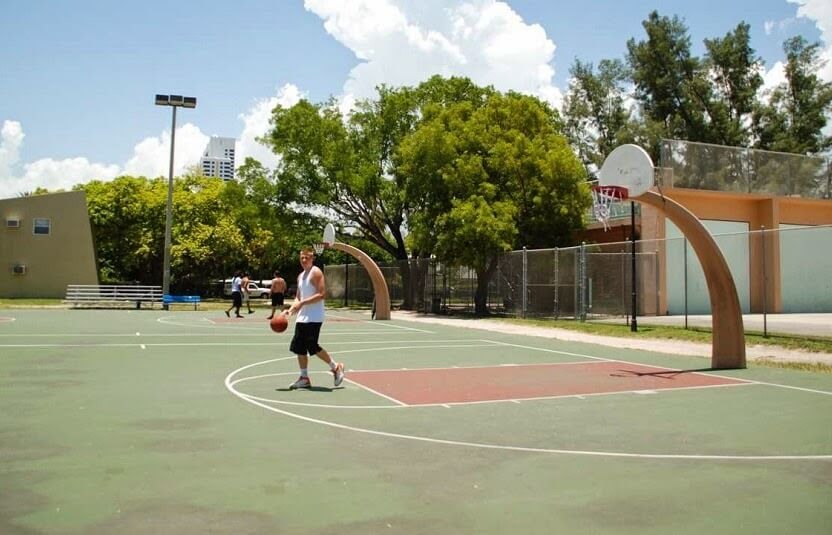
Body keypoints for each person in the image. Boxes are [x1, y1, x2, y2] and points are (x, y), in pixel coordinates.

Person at [285, 246, 344, 389]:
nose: (304, 260)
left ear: (312, 258)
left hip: (314, 317)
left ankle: (336, 367)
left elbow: (322, 294)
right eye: (302, 258)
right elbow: (298, 297)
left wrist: (302, 304)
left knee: (312, 346)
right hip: (302, 317)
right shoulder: (300, 276)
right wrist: (291, 309)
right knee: (299, 348)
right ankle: (304, 378)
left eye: (307, 257)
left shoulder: (316, 272)